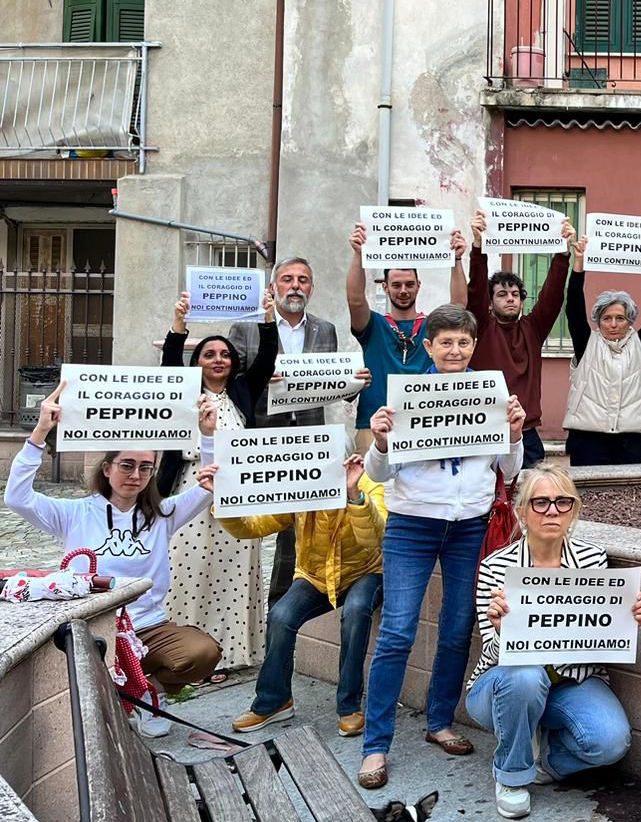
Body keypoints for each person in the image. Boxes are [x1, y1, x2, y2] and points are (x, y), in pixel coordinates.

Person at [357, 304, 527, 790]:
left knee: (457, 627)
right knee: (397, 632)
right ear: (428, 347)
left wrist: (514, 435)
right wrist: (383, 441)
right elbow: (377, 474)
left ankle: (439, 722)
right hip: (412, 526)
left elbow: (510, 471)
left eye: (464, 343)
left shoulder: (489, 394)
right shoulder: (406, 394)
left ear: (475, 347)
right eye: (446, 342)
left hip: (468, 526)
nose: (455, 350)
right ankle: (376, 745)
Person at [8, 386, 222, 736]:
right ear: (107, 469)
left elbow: (209, 483)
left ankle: (147, 692)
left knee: (202, 653)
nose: (135, 474)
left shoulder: (162, 514)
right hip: (95, 625)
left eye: (145, 467)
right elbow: (17, 498)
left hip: (148, 626)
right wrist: (40, 432)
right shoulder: (75, 513)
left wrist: (208, 433)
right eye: (126, 465)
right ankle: (116, 694)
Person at [469, 464, 641, 819]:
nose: (552, 510)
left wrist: (627, 619)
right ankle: (512, 775)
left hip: (573, 680)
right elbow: (492, 652)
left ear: (574, 510)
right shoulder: (496, 567)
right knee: (525, 674)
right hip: (502, 686)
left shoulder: (592, 560)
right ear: (522, 511)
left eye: (562, 502)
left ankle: (545, 760)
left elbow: (599, 637)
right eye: (540, 502)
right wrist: (503, 631)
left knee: (610, 742)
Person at [228, 254, 369, 608]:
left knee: (297, 527)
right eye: (288, 279)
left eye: (303, 280)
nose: (295, 286)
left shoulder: (325, 329)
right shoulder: (246, 328)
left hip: (308, 439)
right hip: (260, 437)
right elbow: (233, 383)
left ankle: (280, 605)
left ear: (311, 287)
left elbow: (329, 384)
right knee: (252, 525)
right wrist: (263, 380)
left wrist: (353, 384)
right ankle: (243, 613)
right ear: (273, 287)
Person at [222, 454, 386, 737]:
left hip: (366, 571)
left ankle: (349, 706)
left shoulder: (367, 480)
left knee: (356, 611)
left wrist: (353, 494)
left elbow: (375, 538)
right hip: (315, 576)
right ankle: (274, 702)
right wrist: (225, 499)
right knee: (280, 616)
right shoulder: (299, 487)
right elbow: (253, 526)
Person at [160, 290, 278, 673]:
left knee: (233, 576)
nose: (218, 359)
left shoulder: (243, 390)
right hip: (192, 493)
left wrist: (269, 317)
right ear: (197, 363)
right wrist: (179, 323)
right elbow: (169, 362)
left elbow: (266, 358)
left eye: (225, 354)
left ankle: (229, 654)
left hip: (237, 498)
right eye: (209, 354)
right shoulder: (185, 393)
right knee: (189, 569)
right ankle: (182, 652)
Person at [452, 209, 573, 467]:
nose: (510, 298)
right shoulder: (481, 328)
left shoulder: (532, 329)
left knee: (531, 500)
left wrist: (562, 253)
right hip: (484, 432)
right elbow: (475, 291)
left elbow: (552, 298)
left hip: (526, 435)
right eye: (502, 294)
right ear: (490, 302)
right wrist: (478, 245)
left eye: (516, 294)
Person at [347, 221, 466, 453]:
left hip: (423, 425)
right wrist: (359, 255)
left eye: (409, 284)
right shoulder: (373, 325)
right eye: (397, 285)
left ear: (418, 286)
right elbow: (355, 300)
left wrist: (458, 260)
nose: (403, 290)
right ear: (385, 288)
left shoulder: (433, 324)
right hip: (374, 424)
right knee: (373, 490)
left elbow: (459, 307)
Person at [561, 234, 641, 466]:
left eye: (620, 318)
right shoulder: (587, 343)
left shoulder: (640, 345)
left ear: (630, 321)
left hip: (629, 443)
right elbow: (573, 308)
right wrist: (579, 265)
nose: (613, 324)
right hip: (587, 443)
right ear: (598, 321)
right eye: (607, 318)